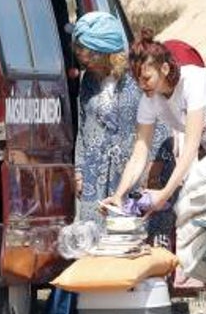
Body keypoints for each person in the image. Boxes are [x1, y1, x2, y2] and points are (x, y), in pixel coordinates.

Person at [99, 28, 206, 215]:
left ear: (165, 69)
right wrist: (119, 195)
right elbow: (139, 153)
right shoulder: (149, 100)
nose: (142, 86)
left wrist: (163, 194)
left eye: (146, 78)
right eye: (137, 80)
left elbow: (191, 146)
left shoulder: (193, 82)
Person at [70, 12, 167, 225]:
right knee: (94, 239)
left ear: (106, 53)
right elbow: (84, 127)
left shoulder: (137, 76)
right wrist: (79, 171)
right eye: (79, 52)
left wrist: (155, 166)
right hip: (95, 175)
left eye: (88, 54)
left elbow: (160, 120)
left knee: (130, 235)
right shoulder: (88, 81)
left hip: (134, 172)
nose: (83, 60)